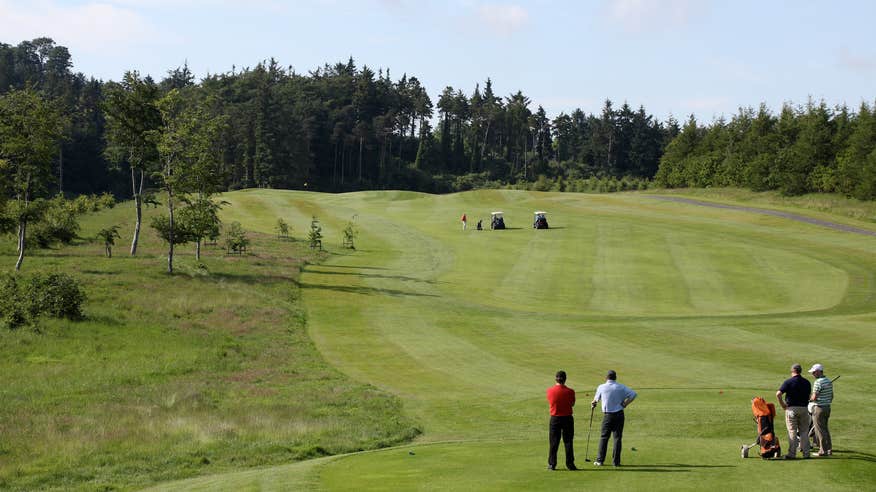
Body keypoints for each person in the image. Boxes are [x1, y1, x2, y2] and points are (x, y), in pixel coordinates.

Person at [591, 370, 636, 467]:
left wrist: (593, 404)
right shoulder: (621, 387)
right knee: (617, 438)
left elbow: (595, 400)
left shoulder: (601, 387)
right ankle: (616, 462)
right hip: (619, 414)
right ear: (615, 377)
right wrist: (625, 404)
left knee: (604, 437)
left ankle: (600, 460)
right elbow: (633, 394)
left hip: (608, 416)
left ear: (606, 377)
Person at [776, 363, 811, 459]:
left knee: (792, 431)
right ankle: (806, 453)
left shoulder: (788, 382)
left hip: (791, 409)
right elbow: (809, 397)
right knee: (804, 432)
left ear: (792, 371)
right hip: (804, 409)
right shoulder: (807, 382)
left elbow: (778, 394)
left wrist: (783, 405)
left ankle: (792, 454)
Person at [546, 370, 577, 470]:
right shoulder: (570, 391)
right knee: (568, 441)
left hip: (555, 418)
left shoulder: (550, 391)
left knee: (554, 442)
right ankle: (570, 464)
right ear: (565, 379)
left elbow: (551, 402)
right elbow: (572, 404)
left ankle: (552, 464)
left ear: (556, 378)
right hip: (567, 418)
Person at [809, 363, 833, 456]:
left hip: (819, 408)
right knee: (825, 429)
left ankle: (822, 451)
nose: (813, 374)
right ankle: (829, 449)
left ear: (819, 372)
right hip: (827, 407)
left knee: (819, 430)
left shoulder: (818, 382)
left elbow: (814, 397)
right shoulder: (828, 381)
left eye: (814, 372)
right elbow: (832, 396)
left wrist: (810, 399)